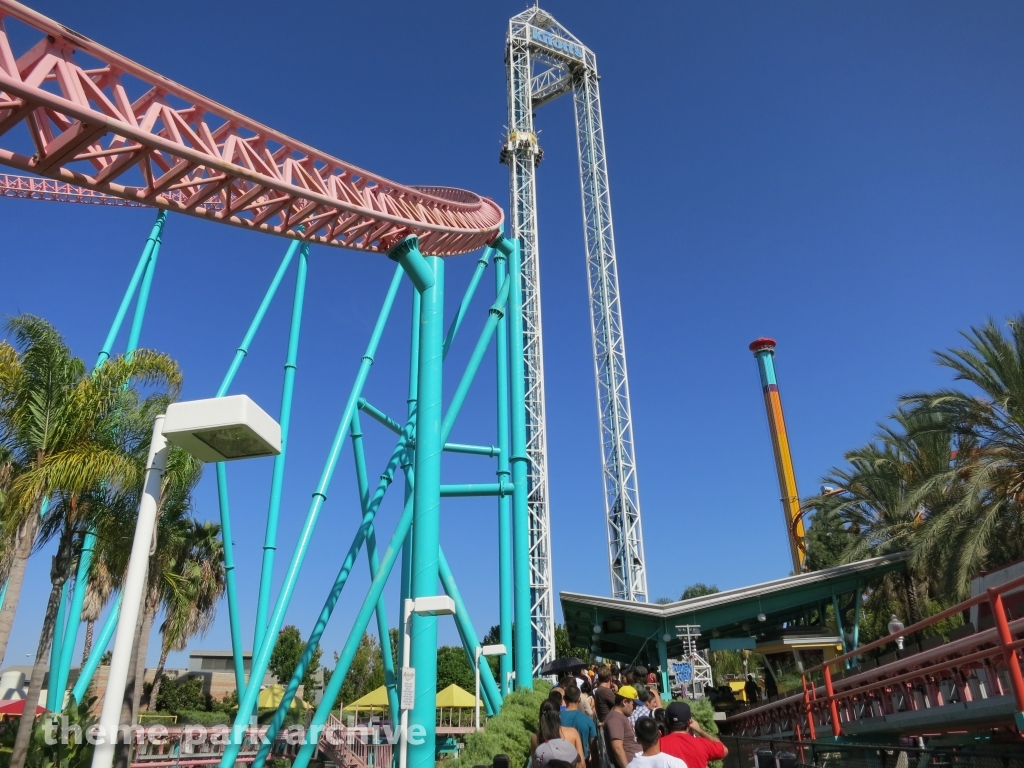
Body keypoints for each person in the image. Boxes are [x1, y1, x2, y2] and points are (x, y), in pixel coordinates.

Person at [658, 702, 727, 768]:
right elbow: (724, 750)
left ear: (667, 721)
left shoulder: (658, 744)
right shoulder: (702, 744)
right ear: (689, 722)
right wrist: (700, 730)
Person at [531, 699, 585, 767]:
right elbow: (582, 764)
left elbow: (535, 765)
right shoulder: (572, 733)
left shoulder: (535, 738)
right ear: (559, 714)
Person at [604, 684, 641, 768]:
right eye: (633, 704)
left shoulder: (619, 717)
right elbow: (617, 748)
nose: (635, 708)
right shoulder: (615, 719)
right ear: (624, 702)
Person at [560, 685, 597, 760]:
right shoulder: (588, 720)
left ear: (564, 699)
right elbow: (593, 747)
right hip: (582, 761)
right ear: (579, 700)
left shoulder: (556, 718)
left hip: (561, 761)